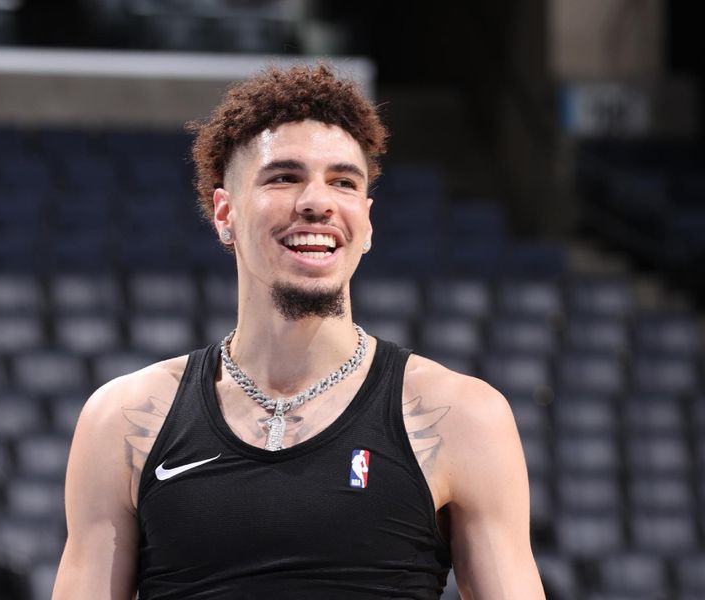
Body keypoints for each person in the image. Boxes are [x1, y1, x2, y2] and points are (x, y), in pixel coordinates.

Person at [52, 63, 545, 599]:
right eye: (284, 177)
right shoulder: (120, 420)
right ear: (225, 213)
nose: (317, 202)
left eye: (343, 182)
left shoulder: (465, 416)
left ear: (368, 221)